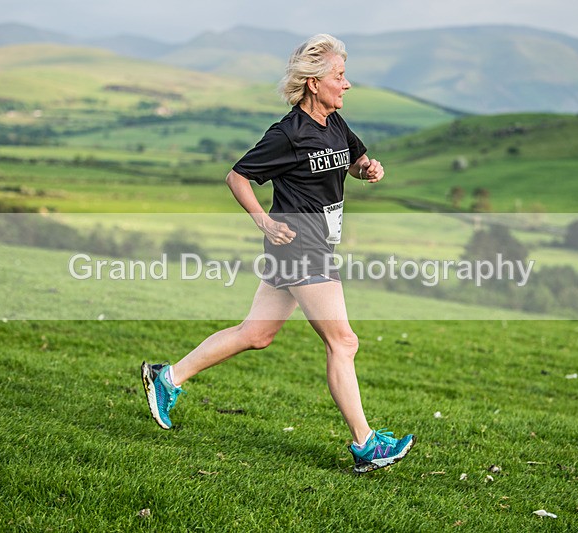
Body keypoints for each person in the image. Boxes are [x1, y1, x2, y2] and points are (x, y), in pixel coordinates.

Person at [141, 34, 415, 474]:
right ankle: (366, 445)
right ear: (312, 82)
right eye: (338, 76)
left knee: (257, 333)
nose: (346, 85)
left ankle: (166, 378)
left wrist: (368, 169)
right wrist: (262, 220)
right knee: (343, 341)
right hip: (300, 246)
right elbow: (237, 177)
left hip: (312, 244)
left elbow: (353, 160)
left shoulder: (335, 126)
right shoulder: (287, 133)